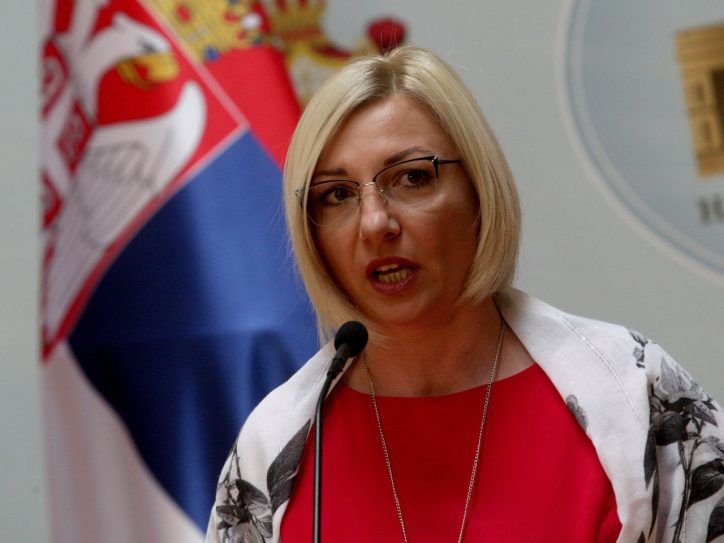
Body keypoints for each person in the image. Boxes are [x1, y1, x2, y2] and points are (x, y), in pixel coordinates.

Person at [206, 46, 724, 543]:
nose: (375, 223)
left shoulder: (633, 391)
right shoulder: (276, 444)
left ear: (478, 188)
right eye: (337, 195)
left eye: (411, 178)